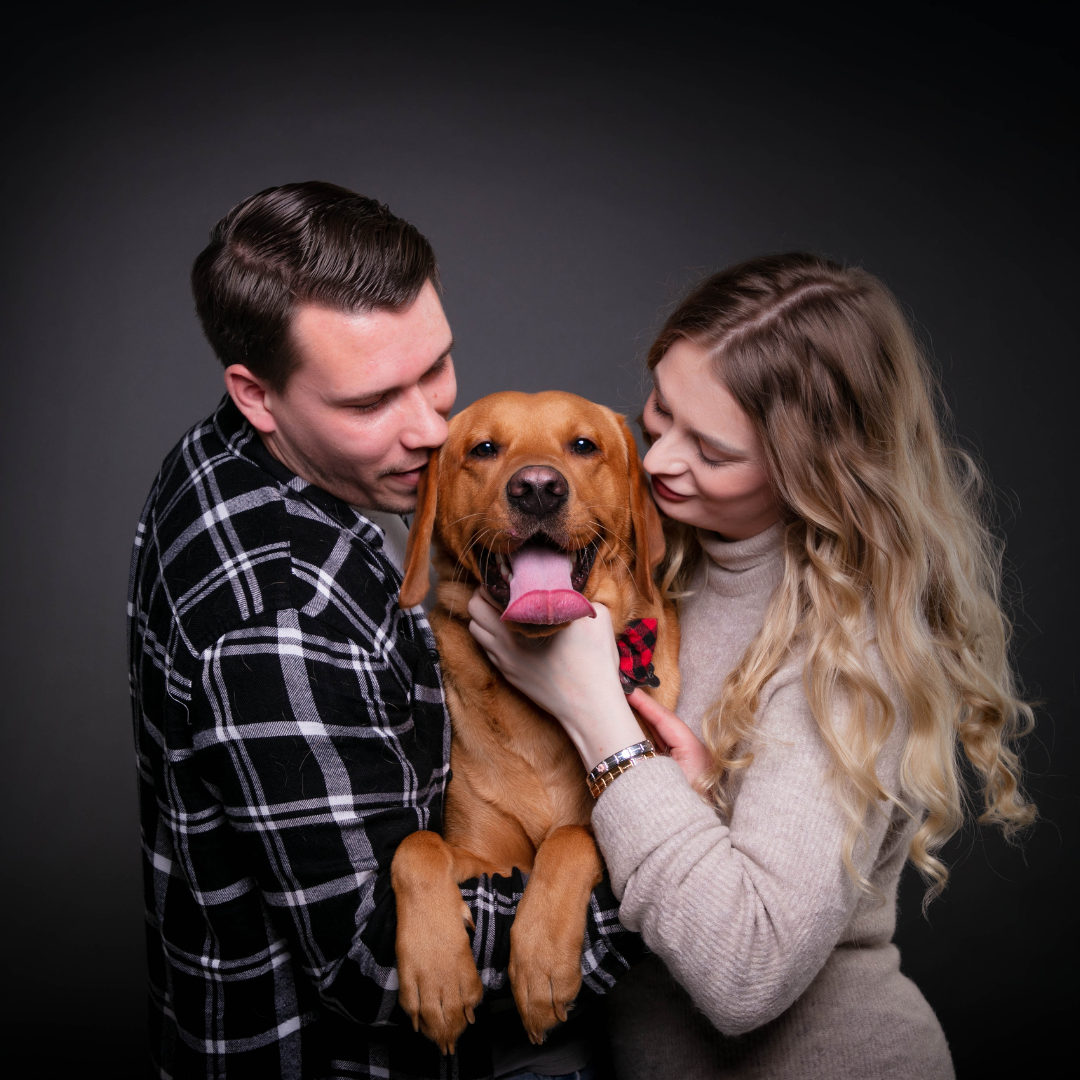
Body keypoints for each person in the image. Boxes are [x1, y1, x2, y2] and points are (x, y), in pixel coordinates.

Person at [467, 253, 1035, 1079]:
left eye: (712, 450)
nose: (658, 462)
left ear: (815, 472)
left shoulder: (850, 648)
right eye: (658, 413)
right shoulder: (644, 558)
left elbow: (746, 972)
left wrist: (598, 721)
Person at [127, 181, 637, 1080]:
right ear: (256, 394)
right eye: (370, 404)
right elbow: (372, 962)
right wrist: (683, 882)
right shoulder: (278, 617)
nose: (431, 428)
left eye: (435, 366)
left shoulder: (235, 457)